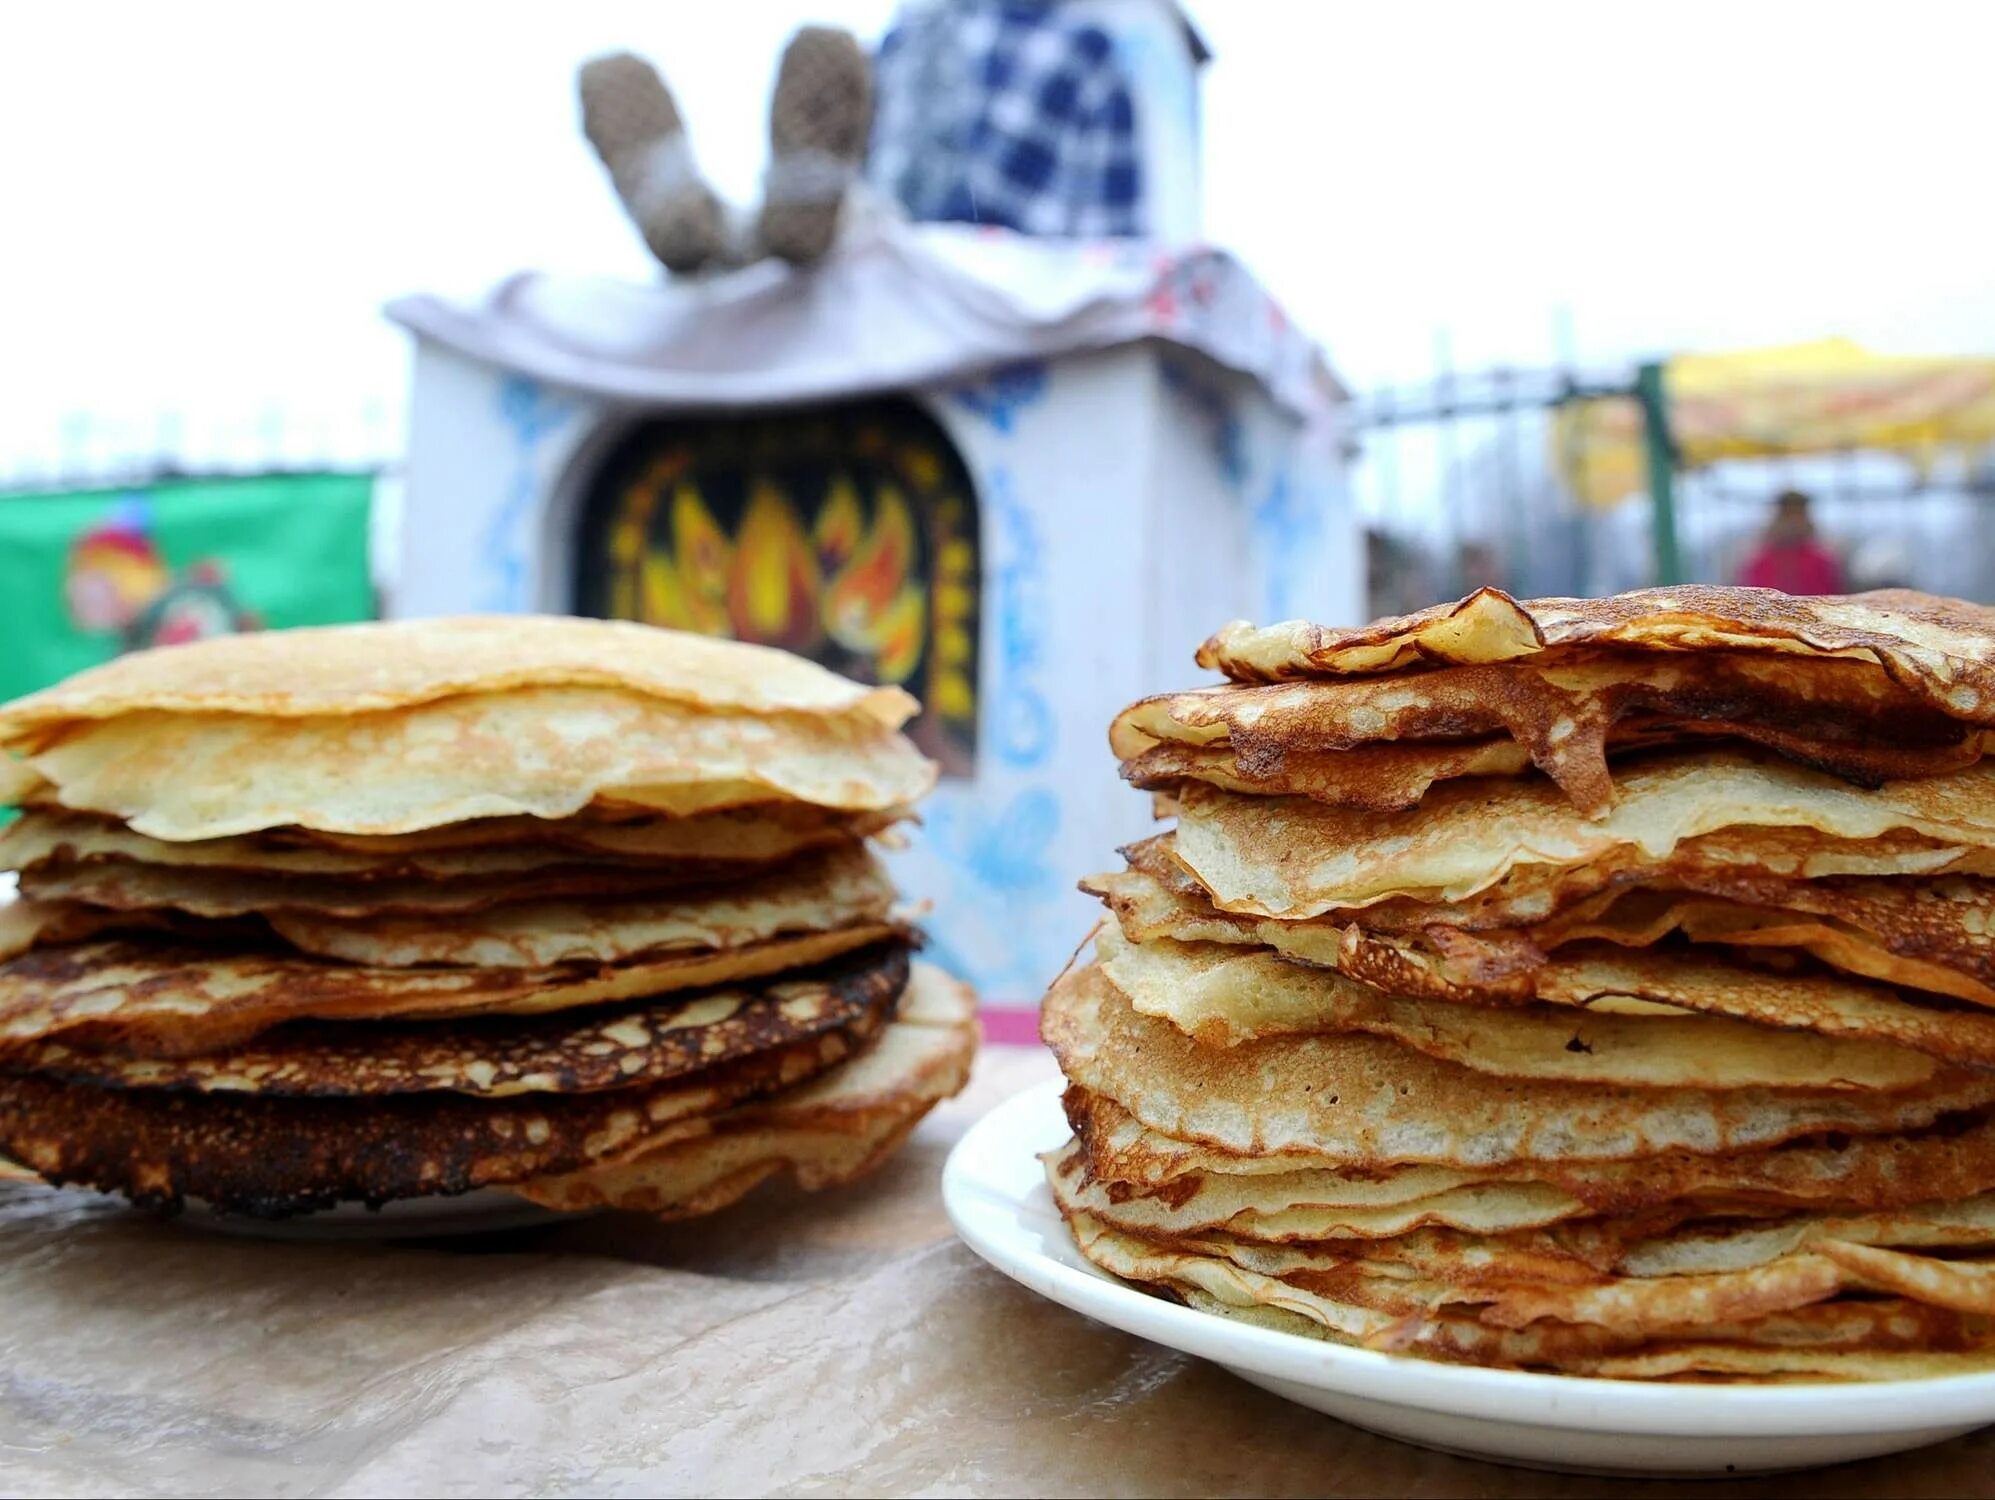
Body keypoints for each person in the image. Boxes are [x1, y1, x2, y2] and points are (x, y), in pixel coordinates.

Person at [1735, 490, 1844, 595]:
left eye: (1798, 515)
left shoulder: (1822, 560)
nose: (1793, 522)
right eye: (1788, 515)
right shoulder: (1758, 561)